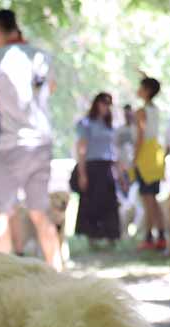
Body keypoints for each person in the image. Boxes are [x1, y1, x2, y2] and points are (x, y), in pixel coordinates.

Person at [0, 9, 63, 270]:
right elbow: (52, 88)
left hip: (12, 145)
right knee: (40, 213)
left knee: (2, 212)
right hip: (42, 143)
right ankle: (58, 273)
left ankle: (1, 275)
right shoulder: (42, 56)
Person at [72, 92, 119, 246]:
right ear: (96, 103)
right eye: (103, 103)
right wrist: (82, 173)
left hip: (107, 167)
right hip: (92, 167)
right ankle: (92, 235)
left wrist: (117, 170)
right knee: (91, 202)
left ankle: (110, 234)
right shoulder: (86, 123)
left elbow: (113, 149)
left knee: (109, 202)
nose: (106, 107)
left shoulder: (109, 125)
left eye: (109, 104)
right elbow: (81, 150)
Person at [133, 76, 165, 250]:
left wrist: (134, 158)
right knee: (152, 198)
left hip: (145, 157)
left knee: (148, 200)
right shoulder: (154, 109)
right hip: (155, 156)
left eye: (141, 86)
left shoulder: (142, 111)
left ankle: (149, 237)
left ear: (146, 90)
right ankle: (160, 235)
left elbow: (139, 136)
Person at [114, 104, 135, 195]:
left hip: (135, 168)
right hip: (122, 169)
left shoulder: (137, 130)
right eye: (126, 114)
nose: (128, 116)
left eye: (129, 113)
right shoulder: (119, 130)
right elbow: (115, 150)